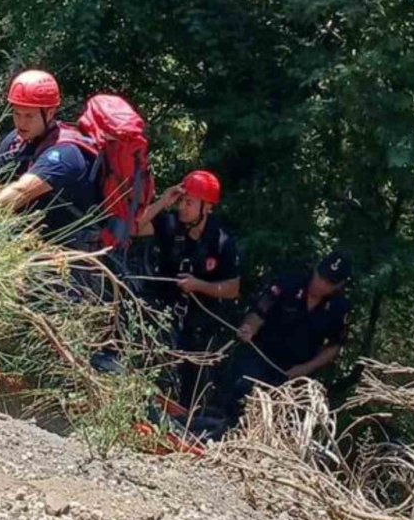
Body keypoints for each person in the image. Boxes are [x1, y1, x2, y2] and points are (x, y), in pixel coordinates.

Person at [0, 69, 101, 248]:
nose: (21, 122)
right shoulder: (15, 141)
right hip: (28, 238)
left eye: (29, 115)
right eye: (17, 113)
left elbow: (21, 191)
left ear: (49, 113)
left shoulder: (65, 154)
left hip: (68, 247)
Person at [134, 170, 241, 410]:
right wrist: (163, 201)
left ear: (207, 208)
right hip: (162, 315)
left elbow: (232, 289)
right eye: (182, 200)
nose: (183, 207)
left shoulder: (221, 242)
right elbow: (135, 228)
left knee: (191, 387)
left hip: (199, 325)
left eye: (190, 202)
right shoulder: (171, 223)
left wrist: (198, 286)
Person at [224, 250, 352, 420]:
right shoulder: (289, 282)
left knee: (278, 416)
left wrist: (306, 368)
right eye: (320, 276)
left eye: (328, 282)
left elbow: (334, 346)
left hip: (294, 371)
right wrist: (249, 327)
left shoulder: (339, 308)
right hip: (261, 355)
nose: (320, 283)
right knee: (241, 392)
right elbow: (260, 311)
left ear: (338, 285)